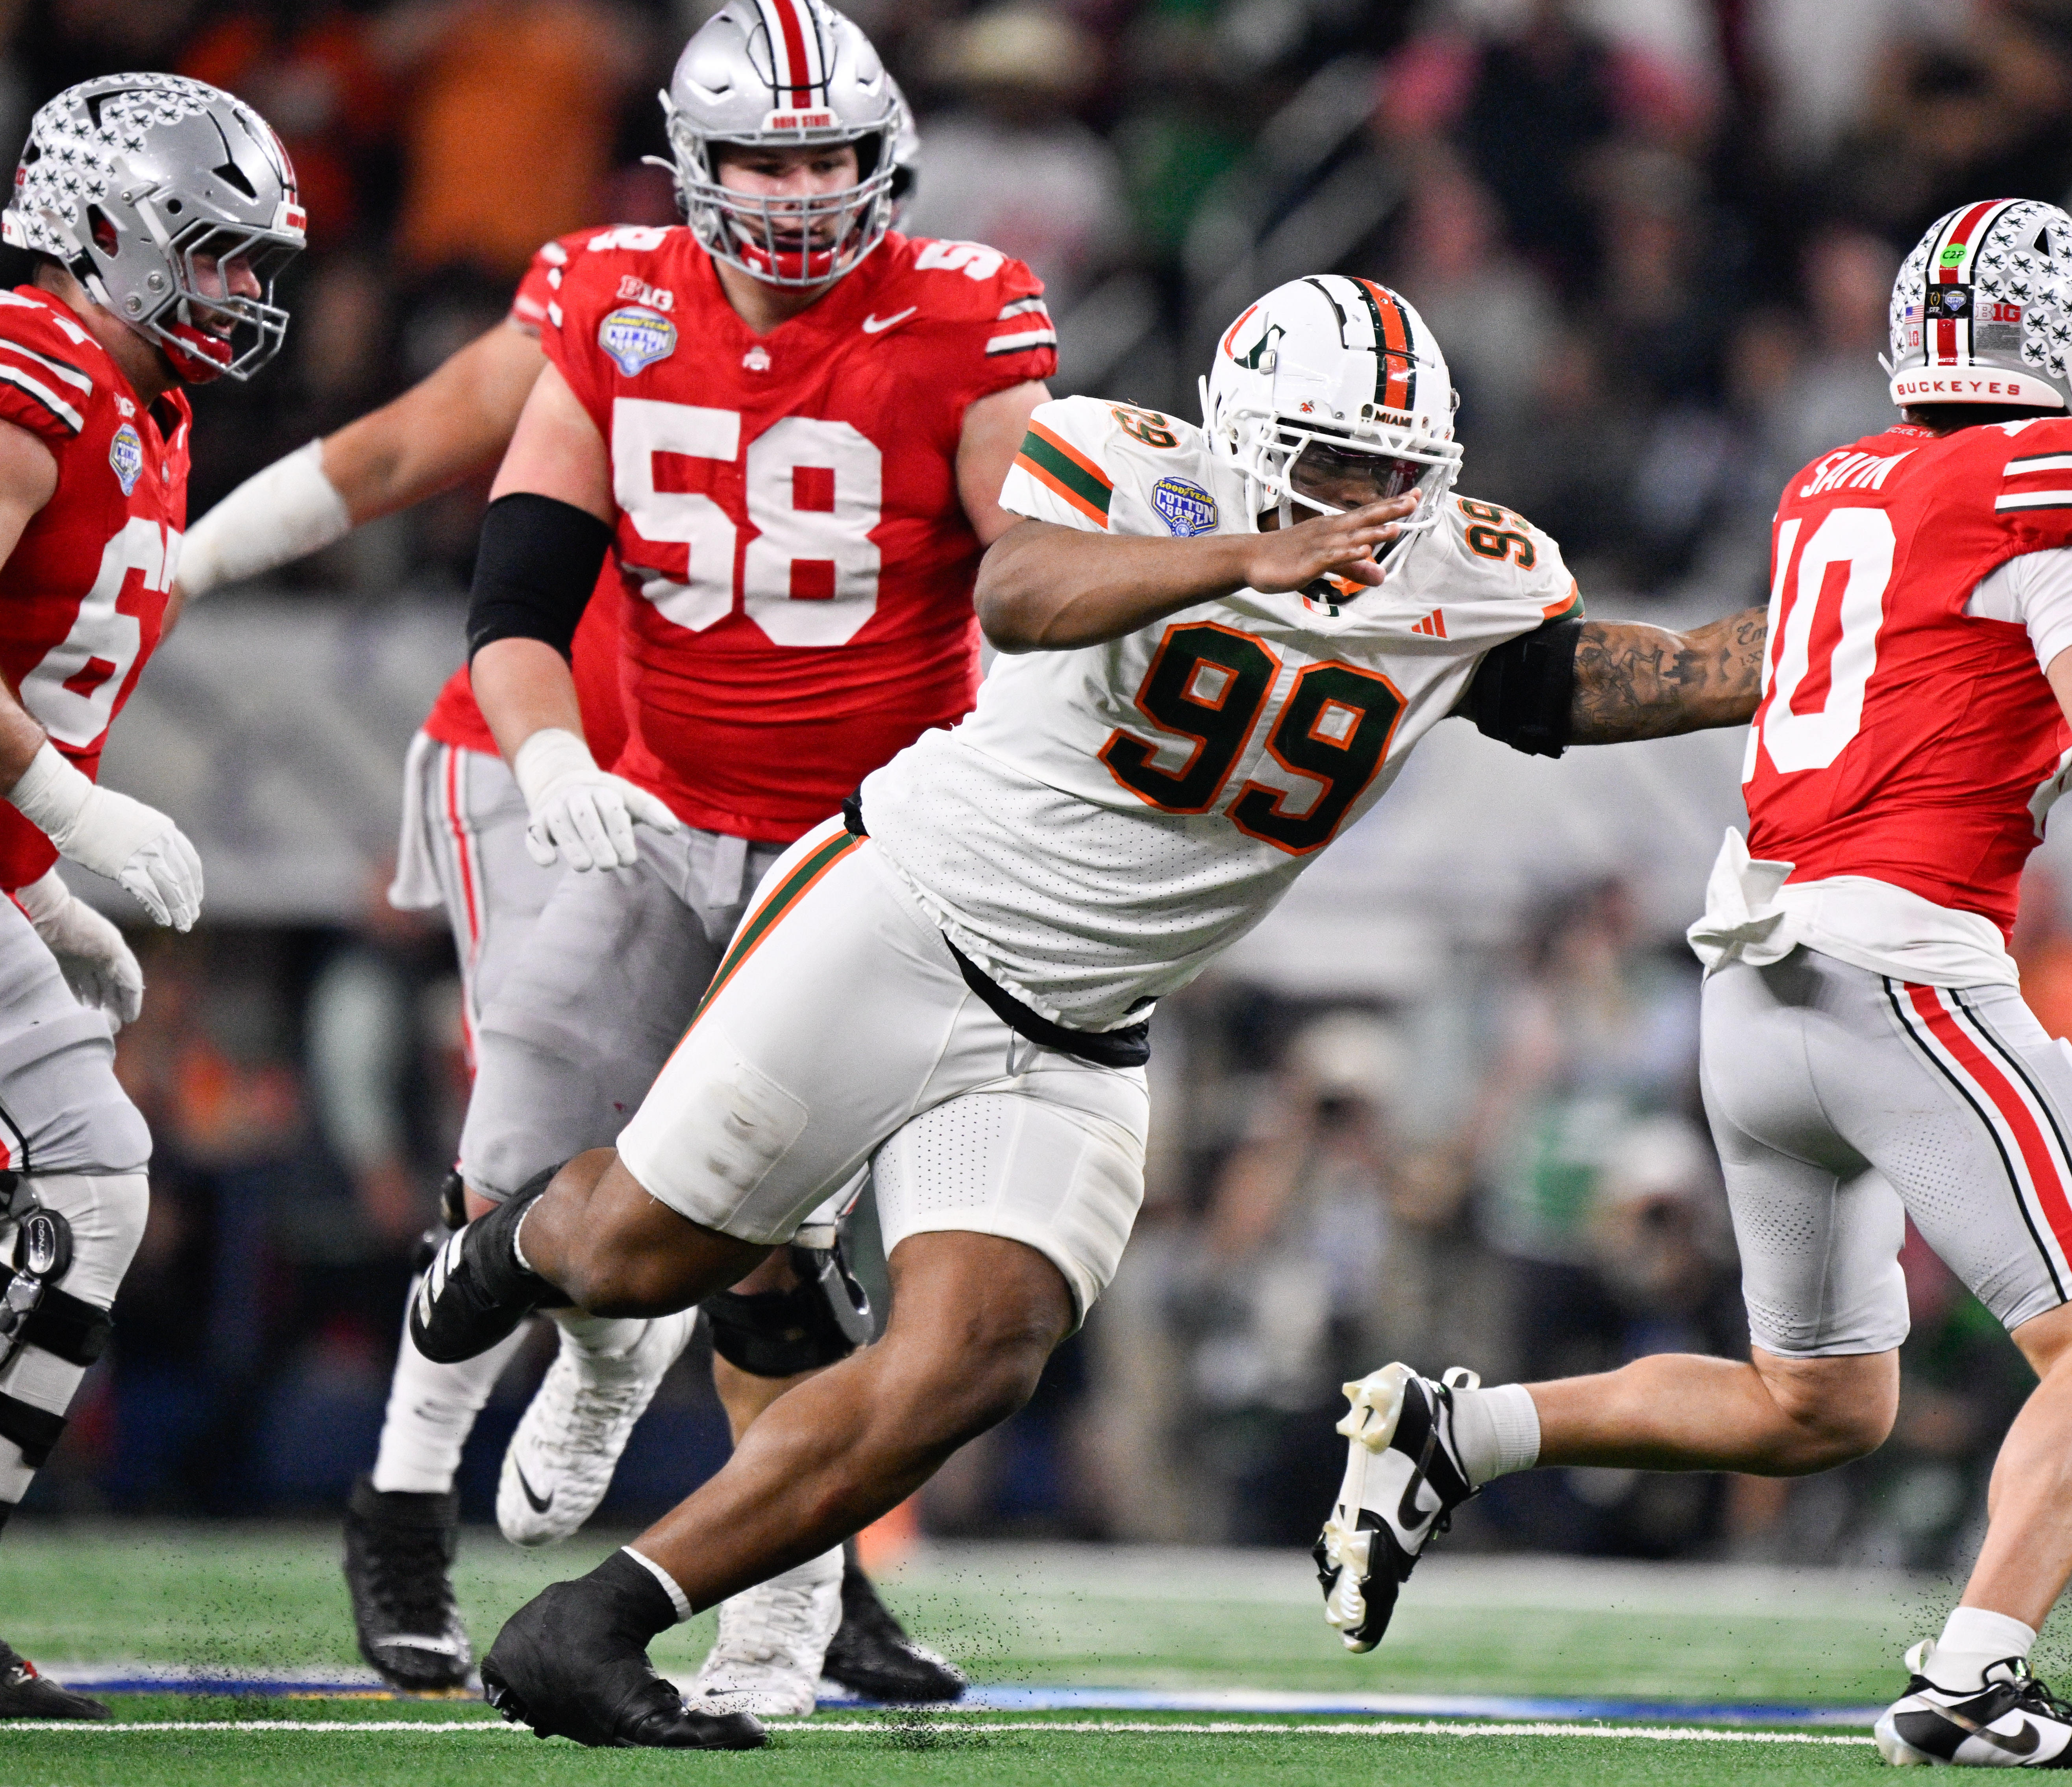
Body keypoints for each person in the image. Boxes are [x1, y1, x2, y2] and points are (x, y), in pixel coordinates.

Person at [404, 270, 1768, 1749]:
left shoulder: (1465, 573)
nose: (1368, 500)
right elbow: (1019, 592)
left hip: (1079, 1028)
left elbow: (1652, 674)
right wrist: (1247, 552)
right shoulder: (1124, 460)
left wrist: (1859, 630)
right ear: (1244, 435)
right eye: (1332, 462)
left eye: (1397, 468)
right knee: (634, 1258)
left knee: (974, 1355)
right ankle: (502, 1247)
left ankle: (594, 1622)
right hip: (901, 918)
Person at [1312, 199, 2072, 1772]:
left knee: (1818, 1403)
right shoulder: (2064, 469)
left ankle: (1457, 1432)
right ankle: (1973, 1677)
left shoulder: (1837, 484)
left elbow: (1975, 726)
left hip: (1758, 983)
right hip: (1897, 969)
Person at [177, 219, 954, 1713]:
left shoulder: (916, 337)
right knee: (527, 1166)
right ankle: (407, 1501)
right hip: (537, 765)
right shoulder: (614, 310)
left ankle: (798, 1558)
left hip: (752, 804)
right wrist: (181, 564)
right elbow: (394, 452)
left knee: (767, 1189)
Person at [426, 0, 1040, 1717]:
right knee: (508, 1175)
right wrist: (550, 754)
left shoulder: (966, 313)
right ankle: (608, 1355)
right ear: (692, 165)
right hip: (665, 809)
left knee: (771, 1225)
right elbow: (516, 602)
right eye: (766, 159)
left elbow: (1028, 562)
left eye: (828, 154)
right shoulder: (612, 302)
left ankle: (781, 1619)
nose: (800, 188)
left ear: (883, 156)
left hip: (863, 846)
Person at [0, 72, 308, 1719]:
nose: (240, 290)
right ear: (106, 230)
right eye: (216, 252)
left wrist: (42, 893)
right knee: (57, 1186)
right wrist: (61, 807)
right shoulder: (34, 363)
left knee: (95, 1182)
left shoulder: (148, 406)